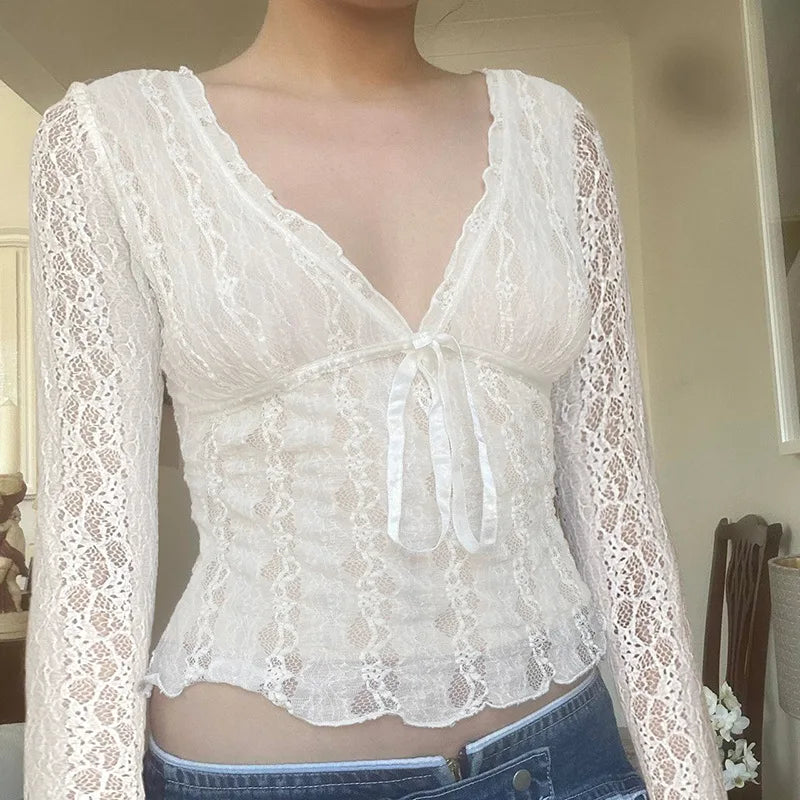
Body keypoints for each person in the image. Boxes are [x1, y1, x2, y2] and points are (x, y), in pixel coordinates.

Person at [23, 1, 727, 798]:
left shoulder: (557, 135)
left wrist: (689, 782)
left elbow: (621, 513)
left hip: (566, 762)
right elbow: (93, 547)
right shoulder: (109, 140)